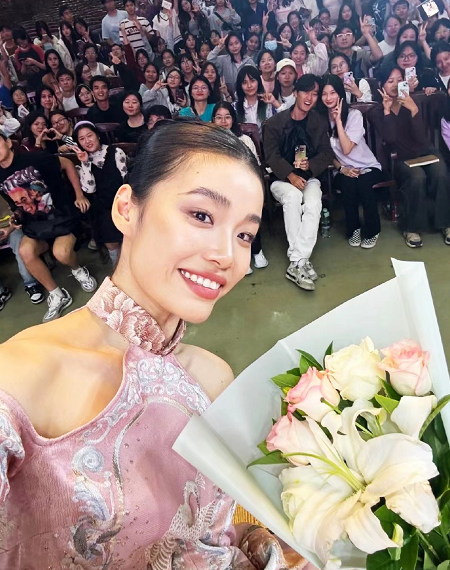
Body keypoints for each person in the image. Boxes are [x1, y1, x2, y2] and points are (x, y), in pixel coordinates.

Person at [0, 119, 309, 570]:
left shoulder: (213, 376)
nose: (227, 256)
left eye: (244, 235)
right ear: (126, 208)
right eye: (201, 215)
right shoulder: (19, 377)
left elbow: (211, 535)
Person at [0, 131, 96, 321]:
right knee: (25, 251)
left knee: (61, 253)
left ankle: (78, 270)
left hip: (61, 217)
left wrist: (79, 195)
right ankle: (57, 294)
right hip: (36, 225)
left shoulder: (34, 158)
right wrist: (14, 220)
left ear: (9, 143)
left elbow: (67, 163)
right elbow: (16, 207)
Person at [263, 73, 334, 291]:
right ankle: (301, 261)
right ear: (295, 93)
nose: (309, 98)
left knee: (313, 202)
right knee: (293, 197)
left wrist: (309, 165)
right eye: (305, 92)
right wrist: (290, 175)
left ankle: (297, 261)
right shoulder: (274, 124)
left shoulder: (318, 122)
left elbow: (327, 154)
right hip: (281, 180)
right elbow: (271, 156)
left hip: (308, 177)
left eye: (315, 94)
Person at [370, 62, 450, 247]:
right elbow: (390, 139)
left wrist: (414, 110)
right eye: (390, 81)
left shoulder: (411, 101)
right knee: (417, 177)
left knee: (440, 172)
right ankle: (412, 227)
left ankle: (445, 223)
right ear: (381, 84)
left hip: (425, 151)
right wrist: (387, 111)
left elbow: (422, 138)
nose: (395, 84)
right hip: (400, 157)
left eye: (399, 80)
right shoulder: (376, 112)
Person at [319, 75, 382, 248]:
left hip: (367, 165)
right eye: (324, 94)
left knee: (363, 183)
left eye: (333, 92)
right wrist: (342, 168)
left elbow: (346, 148)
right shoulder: (320, 120)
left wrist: (338, 121)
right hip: (341, 168)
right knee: (348, 184)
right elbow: (326, 153)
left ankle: (373, 230)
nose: (328, 98)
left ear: (340, 93)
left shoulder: (354, 115)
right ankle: (353, 229)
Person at [212, 100, 269, 273]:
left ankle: (257, 250)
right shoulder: (209, 143)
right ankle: (238, 256)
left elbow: (255, 169)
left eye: (227, 117)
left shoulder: (244, 140)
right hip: (219, 190)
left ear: (233, 119)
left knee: (247, 214)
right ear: (213, 120)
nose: (223, 121)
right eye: (219, 117)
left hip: (244, 188)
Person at [72, 121, 126, 265]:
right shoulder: (82, 161)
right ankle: (117, 267)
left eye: (90, 135)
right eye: (82, 139)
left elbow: (126, 180)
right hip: (102, 207)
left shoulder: (115, 152)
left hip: (121, 200)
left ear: (98, 135)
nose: (87, 141)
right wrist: (85, 163)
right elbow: (90, 189)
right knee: (110, 238)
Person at [0, 220, 45, 306]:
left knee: (20, 245)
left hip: (13, 228)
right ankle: (1, 293)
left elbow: (19, 215)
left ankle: (31, 284)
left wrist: (10, 228)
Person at [234, 66, 273, 133]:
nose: (249, 86)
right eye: (245, 82)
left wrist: (274, 103)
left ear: (258, 82)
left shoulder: (267, 104)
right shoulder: (235, 107)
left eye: (252, 81)